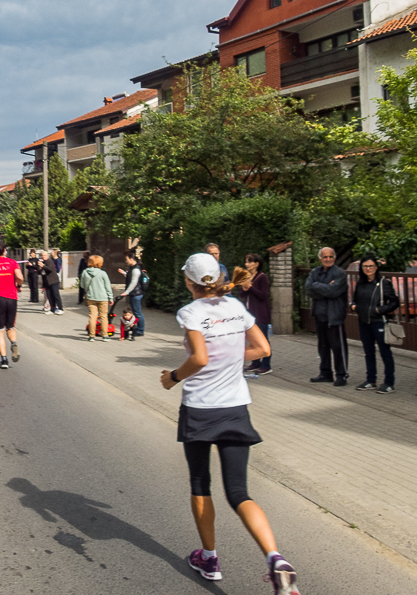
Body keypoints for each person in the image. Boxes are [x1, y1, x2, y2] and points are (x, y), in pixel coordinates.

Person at [161, 253, 299, 592]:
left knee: (200, 482)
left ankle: (209, 558)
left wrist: (173, 377)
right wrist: (231, 357)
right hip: (236, 407)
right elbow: (262, 347)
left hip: (200, 408)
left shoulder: (190, 312)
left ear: (188, 281)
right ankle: (275, 558)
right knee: (239, 492)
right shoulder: (236, 307)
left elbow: (200, 358)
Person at [351, 255, 399, 394]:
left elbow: (394, 302)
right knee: (368, 352)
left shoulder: (384, 283)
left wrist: (379, 310)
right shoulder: (360, 283)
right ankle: (371, 380)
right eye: (365, 266)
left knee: (385, 352)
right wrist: (354, 307)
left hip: (379, 322)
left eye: (371, 266)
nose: (368, 269)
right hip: (364, 322)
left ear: (376, 267)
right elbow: (355, 300)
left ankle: (389, 383)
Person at [305, 247, 349, 386]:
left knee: (338, 347)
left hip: (334, 316)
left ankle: (342, 375)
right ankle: (325, 373)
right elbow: (308, 288)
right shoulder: (315, 272)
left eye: (330, 257)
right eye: (325, 257)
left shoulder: (340, 273)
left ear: (334, 258)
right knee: (323, 346)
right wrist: (324, 287)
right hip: (320, 315)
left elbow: (333, 291)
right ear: (320, 258)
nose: (328, 259)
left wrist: (317, 286)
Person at [0, 243, 24, 368]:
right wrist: (19, 285)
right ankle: (14, 342)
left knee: (0, 330)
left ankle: (4, 360)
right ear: (5, 251)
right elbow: (20, 277)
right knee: (10, 327)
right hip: (12, 298)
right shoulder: (12, 262)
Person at [237, 253, 272, 376]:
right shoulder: (246, 276)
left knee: (263, 339)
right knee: (252, 339)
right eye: (246, 262)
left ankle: (266, 365)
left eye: (250, 262)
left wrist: (250, 287)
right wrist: (244, 288)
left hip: (261, 313)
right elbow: (242, 294)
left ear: (257, 264)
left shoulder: (262, 277)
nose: (247, 264)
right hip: (249, 312)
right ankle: (255, 362)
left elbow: (263, 295)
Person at [80, 254, 114, 341]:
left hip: (91, 297)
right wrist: (110, 297)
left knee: (92, 316)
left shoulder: (84, 272)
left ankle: (92, 336)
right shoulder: (103, 273)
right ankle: (105, 335)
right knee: (103, 317)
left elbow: (82, 285)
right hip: (103, 297)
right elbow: (108, 287)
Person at [119, 249, 145, 337]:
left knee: (137, 312)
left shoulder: (136, 270)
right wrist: (124, 273)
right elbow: (131, 277)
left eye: (127, 259)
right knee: (135, 312)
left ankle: (140, 330)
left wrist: (126, 292)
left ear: (131, 259)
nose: (126, 261)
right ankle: (136, 328)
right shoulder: (132, 269)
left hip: (136, 294)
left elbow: (134, 282)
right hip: (134, 293)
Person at [40, 250, 63, 315]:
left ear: (47, 256)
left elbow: (50, 269)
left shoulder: (50, 261)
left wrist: (43, 266)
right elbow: (41, 272)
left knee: (56, 294)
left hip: (53, 281)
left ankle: (60, 308)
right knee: (49, 296)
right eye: (42, 255)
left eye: (44, 255)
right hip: (47, 282)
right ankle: (52, 309)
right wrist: (39, 268)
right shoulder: (43, 262)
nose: (43, 256)